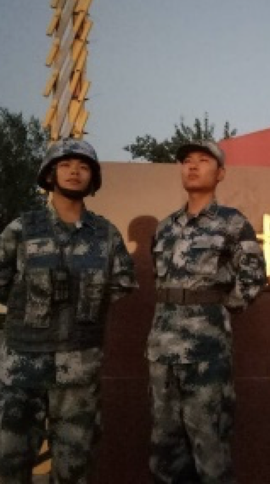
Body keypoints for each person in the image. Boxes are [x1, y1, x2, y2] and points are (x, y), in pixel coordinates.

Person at [0, 138, 137, 484]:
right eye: (65, 164)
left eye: (83, 166)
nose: (75, 171)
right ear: (50, 174)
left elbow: (121, 284)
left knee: (74, 465)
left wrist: (82, 305)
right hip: (22, 364)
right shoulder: (22, 228)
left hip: (79, 366)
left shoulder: (105, 234)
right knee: (9, 460)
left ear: (93, 178)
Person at [146, 140, 266, 483]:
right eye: (187, 160)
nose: (193, 166)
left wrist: (217, 309)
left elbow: (254, 275)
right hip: (162, 351)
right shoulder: (165, 227)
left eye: (203, 160)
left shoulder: (232, 223)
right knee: (164, 451)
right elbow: (160, 279)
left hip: (206, 352)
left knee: (210, 449)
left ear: (221, 173)